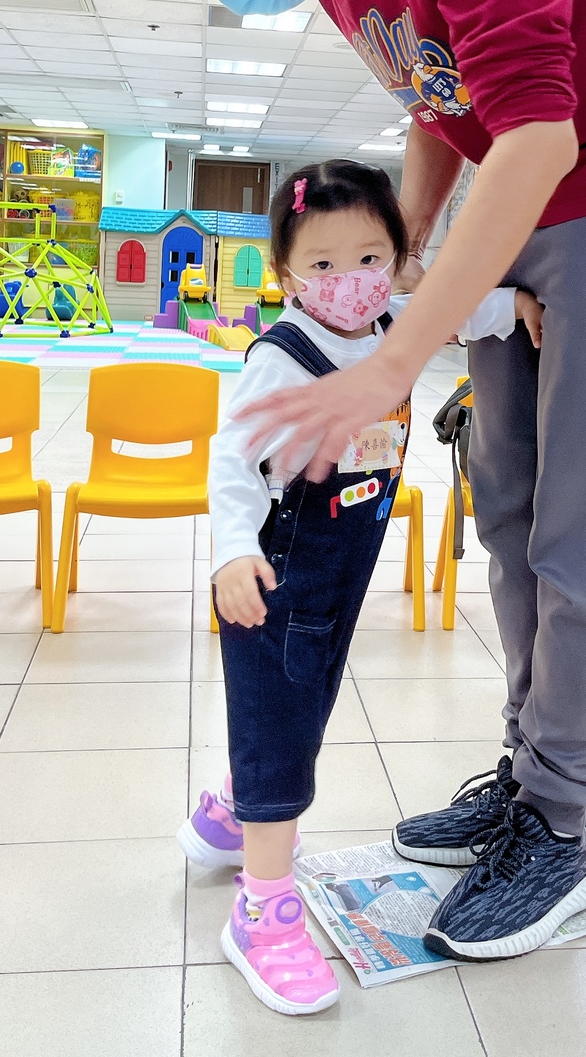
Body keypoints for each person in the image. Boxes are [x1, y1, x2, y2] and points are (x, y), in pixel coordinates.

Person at [85, 0, 586, 961]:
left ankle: (561, 821)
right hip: (522, 175)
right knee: (508, 506)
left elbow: (538, 134)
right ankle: (528, 774)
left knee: (581, 525)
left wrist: (392, 358)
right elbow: (440, 101)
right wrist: (410, 251)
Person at [178, 158, 546, 1015]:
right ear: (286, 274)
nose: (350, 280)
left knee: (297, 709)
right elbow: (232, 461)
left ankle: (228, 815)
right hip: (274, 576)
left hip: (340, 576)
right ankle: (263, 913)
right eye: (323, 263)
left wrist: (514, 307)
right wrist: (230, 553)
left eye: (370, 258)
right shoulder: (284, 358)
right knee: (281, 725)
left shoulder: (391, 322)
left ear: (398, 259)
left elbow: (461, 306)